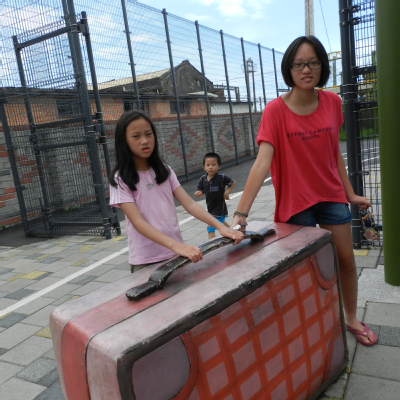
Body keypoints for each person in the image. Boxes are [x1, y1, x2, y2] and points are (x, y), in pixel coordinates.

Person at [231, 35, 377, 346]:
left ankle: (350, 318)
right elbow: (261, 163)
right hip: (297, 203)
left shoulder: (332, 103)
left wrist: (350, 194)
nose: (306, 70)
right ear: (289, 69)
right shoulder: (275, 111)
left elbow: (334, 153)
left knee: (346, 259)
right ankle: (311, 326)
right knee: (304, 270)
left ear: (322, 67)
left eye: (313, 63)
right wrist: (241, 212)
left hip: (331, 195)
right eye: (298, 64)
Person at [109, 110, 243, 273]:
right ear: (123, 141)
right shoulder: (120, 179)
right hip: (146, 260)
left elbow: (190, 204)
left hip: (176, 254)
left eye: (148, 134)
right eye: (136, 136)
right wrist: (176, 246)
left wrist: (221, 227)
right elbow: (138, 222)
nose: (145, 141)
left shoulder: (165, 171)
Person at [194, 152, 236, 239]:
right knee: (221, 222)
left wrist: (226, 193)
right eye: (208, 165)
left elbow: (233, 182)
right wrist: (197, 194)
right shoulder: (203, 179)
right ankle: (233, 232)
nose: (210, 167)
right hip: (210, 208)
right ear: (204, 167)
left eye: (213, 165)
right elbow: (200, 190)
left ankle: (211, 246)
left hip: (220, 209)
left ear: (219, 166)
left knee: (211, 227)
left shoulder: (221, 177)